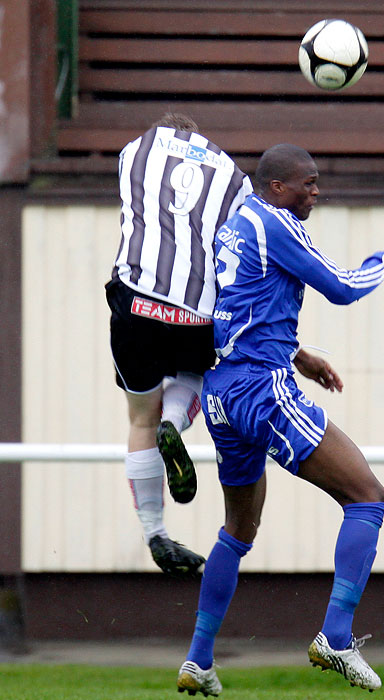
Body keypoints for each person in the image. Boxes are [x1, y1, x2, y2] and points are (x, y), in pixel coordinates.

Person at [176, 143, 384, 696]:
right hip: (262, 390)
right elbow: (343, 287)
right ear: (277, 187)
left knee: (238, 529)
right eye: (307, 183)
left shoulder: (237, 225)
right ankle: (335, 635)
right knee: (367, 496)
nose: (316, 191)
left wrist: (297, 352)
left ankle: (198, 659)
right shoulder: (279, 224)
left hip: (222, 394)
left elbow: (239, 305)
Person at [105, 112, 253, 578]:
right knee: (196, 372)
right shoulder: (234, 176)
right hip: (196, 312)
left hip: (136, 301)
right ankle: (176, 421)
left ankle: (154, 532)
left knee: (138, 419)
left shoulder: (134, 153)